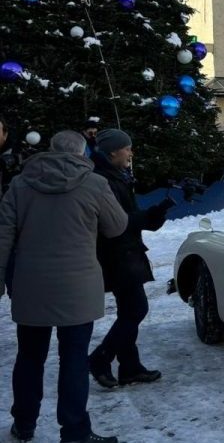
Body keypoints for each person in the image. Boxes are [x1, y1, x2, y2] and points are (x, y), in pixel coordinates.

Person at [0, 130, 128, 443]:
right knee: (73, 358)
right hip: (78, 285)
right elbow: (117, 227)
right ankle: (74, 431)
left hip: (31, 285)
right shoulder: (95, 184)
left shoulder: (20, 184)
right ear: (83, 153)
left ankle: (24, 423)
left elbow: (3, 235)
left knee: (30, 357)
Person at [88, 129, 175, 390]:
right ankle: (100, 358)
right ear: (113, 151)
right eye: (127, 148)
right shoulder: (104, 179)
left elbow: (130, 218)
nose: (130, 152)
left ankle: (130, 367)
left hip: (125, 250)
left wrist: (158, 213)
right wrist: (155, 212)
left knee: (129, 310)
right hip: (117, 254)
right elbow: (119, 222)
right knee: (136, 309)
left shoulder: (116, 176)